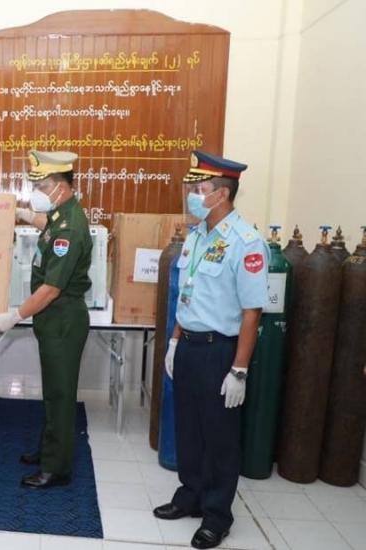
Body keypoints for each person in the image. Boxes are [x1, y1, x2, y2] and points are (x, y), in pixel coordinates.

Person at [152, 151, 268, 549]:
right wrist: (174, 341)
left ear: (221, 194)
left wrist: (240, 370)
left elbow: (252, 313)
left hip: (220, 352)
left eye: (200, 188)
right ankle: (191, 495)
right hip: (188, 346)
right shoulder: (197, 236)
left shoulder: (246, 243)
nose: (193, 194)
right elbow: (188, 295)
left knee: (220, 437)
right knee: (189, 430)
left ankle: (217, 515)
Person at [0, 150, 92, 488]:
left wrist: (15, 315)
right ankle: (50, 449)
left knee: (60, 395)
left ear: (61, 186)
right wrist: (23, 214)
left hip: (62, 318)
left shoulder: (71, 227)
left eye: (43, 186)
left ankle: (56, 468)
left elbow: (50, 289)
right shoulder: (62, 215)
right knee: (52, 391)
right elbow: (48, 227)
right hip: (53, 319)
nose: (38, 192)